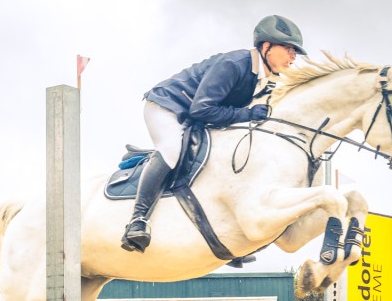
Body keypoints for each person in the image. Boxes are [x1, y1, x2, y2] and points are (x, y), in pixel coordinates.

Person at [120, 14, 307, 253]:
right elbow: (202, 108)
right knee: (171, 148)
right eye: (289, 49)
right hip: (167, 106)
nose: (293, 56)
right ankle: (138, 220)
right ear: (267, 46)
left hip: (191, 117)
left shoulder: (263, 77)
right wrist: (247, 115)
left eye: (295, 52)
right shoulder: (235, 63)